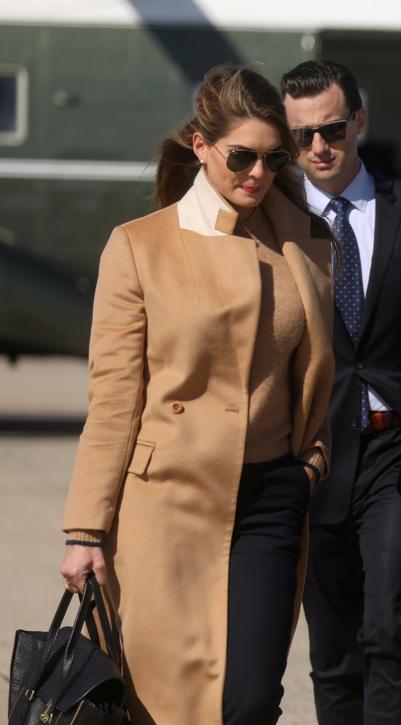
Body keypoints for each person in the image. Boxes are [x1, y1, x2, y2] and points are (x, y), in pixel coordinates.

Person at [57, 65, 334, 724]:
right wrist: (84, 530)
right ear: (201, 145)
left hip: (269, 500)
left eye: (274, 157)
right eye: (241, 156)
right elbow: (115, 398)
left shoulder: (307, 245)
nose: (258, 173)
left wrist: (310, 467)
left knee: (250, 701)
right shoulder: (139, 247)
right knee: (166, 703)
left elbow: (321, 376)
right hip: (165, 506)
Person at [280, 60, 401, 725]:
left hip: (399, 454)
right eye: (302, 137)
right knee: (334, 654)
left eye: (331, 129)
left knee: (389, 634)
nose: (319, 147)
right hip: (312, 454)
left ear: (358, 120)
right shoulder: (270, 222)